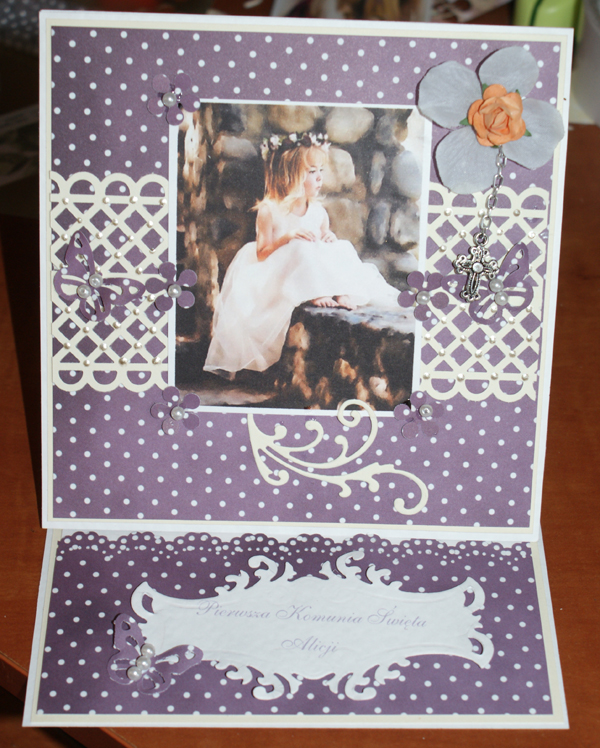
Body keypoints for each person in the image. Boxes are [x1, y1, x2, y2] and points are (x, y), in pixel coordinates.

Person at [203, 131, 401, 376]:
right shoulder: (270, 210)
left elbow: (323, 251)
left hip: (305, 267)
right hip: (275, 272)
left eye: (321, 171)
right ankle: (316, 292)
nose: (319, 178)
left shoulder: (318, 212)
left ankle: (341, 291)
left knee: (341, 247)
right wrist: (287, 237)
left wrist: (329, 238)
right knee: (300, 247)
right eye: (311, 172)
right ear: (291, 175)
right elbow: (262, 253)